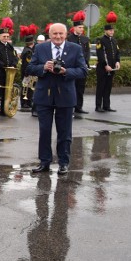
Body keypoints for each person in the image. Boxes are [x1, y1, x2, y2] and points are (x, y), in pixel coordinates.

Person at [27, 23, 88, 175]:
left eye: (61, 34)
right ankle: (44, 162)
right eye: (55, 34)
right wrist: (43, 67)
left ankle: (63, 163)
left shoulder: (75, 49)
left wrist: (67, 71)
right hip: (44, 96)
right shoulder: (40, 48)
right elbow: (29, 68)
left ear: (66, 34)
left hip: (66, 96)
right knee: (45, 131)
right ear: (49, 35)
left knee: (65, 132)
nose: (58, 37)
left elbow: (83, 70)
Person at [0, 27, 18, 117]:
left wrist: (13, 65)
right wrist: (4, 66)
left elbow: (15, 57)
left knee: (6, 93)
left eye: (7, 36)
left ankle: (3, 110)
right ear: (0, 36)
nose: (6, 38)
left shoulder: (10, 46)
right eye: (4, 36)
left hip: (8, 73)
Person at [66, 13, 91, 115]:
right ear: (74, 27)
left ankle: (78, 107)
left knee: (80, 88)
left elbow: (87, 52)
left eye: (82, 27)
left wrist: (85, 63)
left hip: (82, 67)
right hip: (72, 67)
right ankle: (69, 107)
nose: (81, 29)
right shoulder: (69, 38)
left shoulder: (85, 39)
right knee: (71, 88)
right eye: (79, 27)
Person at [94, 22, 120, 112]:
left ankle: (106, 105)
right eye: (110, 30)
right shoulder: (100, 40)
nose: (112, 32)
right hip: (102, 68)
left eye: (113, 30)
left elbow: (117, 53)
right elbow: (100, 54)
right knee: (101, 87)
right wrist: (105, 65)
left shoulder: (114, 40)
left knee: (108, 87)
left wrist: (117, 62)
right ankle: (98, 106)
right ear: (106, 31)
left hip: (112, 67)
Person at [19, 34, 36, 113]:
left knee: (29, 88)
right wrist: (27, 73)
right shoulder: (28, 52)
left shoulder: (27, 50)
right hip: (27, 72)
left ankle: (28, 102)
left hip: (28, 72)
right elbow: (27, 64)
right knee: (26, 88)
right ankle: (24, 103)